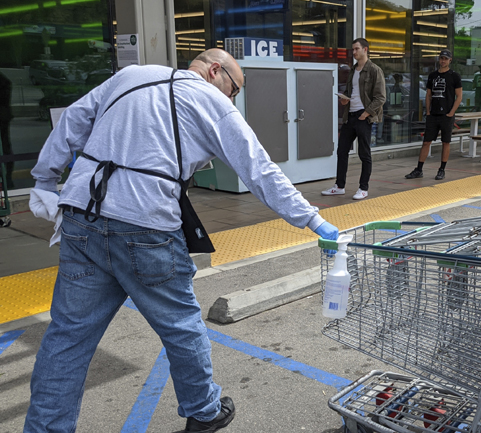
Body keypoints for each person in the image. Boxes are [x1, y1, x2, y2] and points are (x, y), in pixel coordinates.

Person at [24, 48, 340, 433]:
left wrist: (44, 179)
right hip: (145, 225)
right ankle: (204, 411)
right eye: (234, 89)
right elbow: (259, 169)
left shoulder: (130, 76)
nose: (232, 99)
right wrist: (311, 219)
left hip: (81, 216)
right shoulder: (210, 100)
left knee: (67, 337)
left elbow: (73, 119)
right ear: (215, 70)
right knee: (181, 325)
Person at [322, 38, 386, 200]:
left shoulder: (374, 70)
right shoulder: (353, 70)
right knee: (342, 151)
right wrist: (345, 100)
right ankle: (339, 186)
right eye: (353, 49)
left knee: (364, 154)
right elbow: (352, 93)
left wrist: (366, 113)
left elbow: (380, 97)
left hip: (364, 117)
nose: (354, 52)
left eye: (357, 49)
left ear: (365, 50)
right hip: (350, 116)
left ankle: (363, 188)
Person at [405, 49, 462, 180]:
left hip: (446, 115)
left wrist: (451, 113)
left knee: (445, 142)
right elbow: (428, 94)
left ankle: (442, 169)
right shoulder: (432, 75)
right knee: (426, 142)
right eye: (441, 58)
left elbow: (459, 97)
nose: (443, 61)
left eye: (446, 59)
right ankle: (419, 169)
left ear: (450, 60)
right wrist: (429, 112)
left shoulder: (454, 76)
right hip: (433, 114)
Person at [0, 71, 13, 189]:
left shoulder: (3, 81)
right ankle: (6, 179)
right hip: (3, 116)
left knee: (5, 148)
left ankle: (7, 179)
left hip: (2, 119)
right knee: (5, 147)